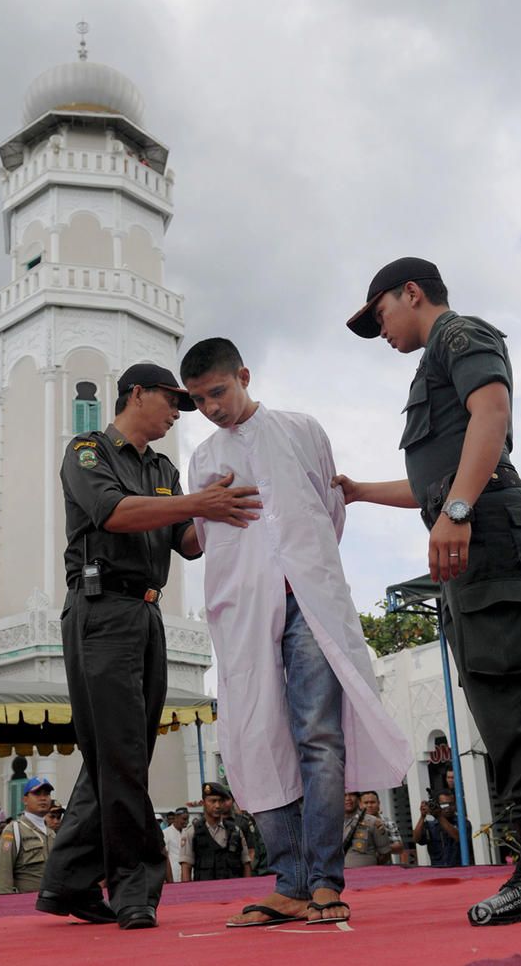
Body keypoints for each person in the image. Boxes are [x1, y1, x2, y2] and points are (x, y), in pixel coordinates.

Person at [339, 256, 521, 925]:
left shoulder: (459, 333)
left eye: (380, 314)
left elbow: (491, 412)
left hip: (486, 531)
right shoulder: (436, 357)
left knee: (510, 704)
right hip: (479, 531)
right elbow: (433, 479)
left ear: (411, 293)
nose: (380, 330)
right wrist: (361, 491)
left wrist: (458, 511)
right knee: (510, 705)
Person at [180, 338, 412, 927]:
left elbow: (330, 511)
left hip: (310, 601)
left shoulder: (302, 429)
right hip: (243, 608)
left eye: (217, 392)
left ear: (244, 376)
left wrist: (301, 567)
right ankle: (289, 883)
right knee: (257, 734)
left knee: (318, 735)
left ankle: (324, 881)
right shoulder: (203, 459)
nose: (210, 407)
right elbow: (203, 536)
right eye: (198, 400)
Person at [36, 362, 263, 931]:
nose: (178, 414)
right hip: (100, 610)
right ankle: (135, 888)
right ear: (136, 394)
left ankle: (67, 881)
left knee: (120, 752)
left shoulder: (163, 469)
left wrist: (228, 505)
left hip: (146, 612)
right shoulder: (88, 451)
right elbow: (113, 513)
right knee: (121, 753)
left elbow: (186, 540)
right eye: (171, 400)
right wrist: (198, 504)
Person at [179, 783, 251, 881]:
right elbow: (186, 868)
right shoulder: (192, 832)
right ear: (203, 803)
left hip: (233, 888)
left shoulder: (235, 831)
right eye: (213, 801)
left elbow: (246, 865)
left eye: (221, 801)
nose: (217, 806)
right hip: (205, 889)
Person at [0, 778, 56, 894]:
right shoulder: (13, 830)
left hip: (50, 901)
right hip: (25, 902)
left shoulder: (52, 834)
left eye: (47, 794)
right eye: (37, 793)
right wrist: (5, 903)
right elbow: (3, 876)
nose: (43, 798)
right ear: (25, 800)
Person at [413, 791, 473, 867]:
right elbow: (416, 839)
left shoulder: (463, 823)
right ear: (438, 805)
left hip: (460, 868)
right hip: (438, 869)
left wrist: (439, 816)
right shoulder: (431, 825)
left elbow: (459, 838)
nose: (448, 808)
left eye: (451, 804)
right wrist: (422, 816)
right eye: (444, 805)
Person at [343, 792, 391, 867]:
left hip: (366, 872)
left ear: (359, 800)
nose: (348, 798)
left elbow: (385, 854)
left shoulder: (374, 822)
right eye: (344, 795)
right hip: (338, 873)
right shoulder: (330, 824)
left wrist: (371, 867)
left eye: (352, 795)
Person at [359, 790, 406, 863]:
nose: (369, 805)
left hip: (385, 866)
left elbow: (399, 848)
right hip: (362, 865)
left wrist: (381, 845)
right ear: (360, 805)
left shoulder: (388, 822)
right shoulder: (355, 823)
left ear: (378, 803)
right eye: (366, 803)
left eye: (372, 802)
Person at [163, 807, 189, 882]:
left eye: (187, 819)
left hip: (186, 873)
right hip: (173, 873)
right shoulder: (166, 833)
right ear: (176, 818)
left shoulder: (187, 832)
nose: (186, 822)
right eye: (184, 819)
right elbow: (164, 856)